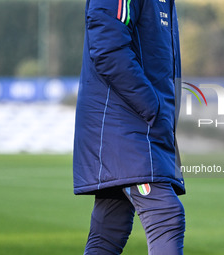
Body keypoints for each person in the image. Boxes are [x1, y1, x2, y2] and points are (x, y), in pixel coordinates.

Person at [73, 0, 185, 254]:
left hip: (140, 123)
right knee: (166, 216)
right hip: (127, 123)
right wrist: (151, 105)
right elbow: (107, 47)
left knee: (109, 228)